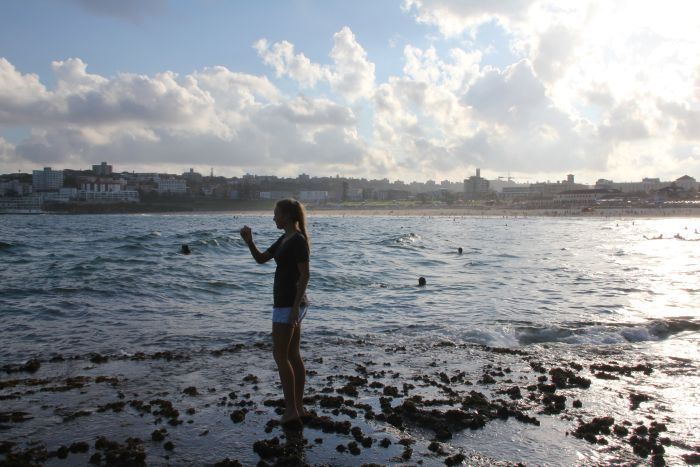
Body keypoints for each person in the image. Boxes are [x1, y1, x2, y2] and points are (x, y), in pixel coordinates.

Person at [240, 199, 310, 425]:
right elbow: (262, 259)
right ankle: (298, 408)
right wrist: (250, 242)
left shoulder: (297, 240)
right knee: (292, 355)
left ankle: (291, 411)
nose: (273, 218)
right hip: (287, 303)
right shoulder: (285, 238)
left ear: (288, 216)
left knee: (281, 355)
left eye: (276, 214)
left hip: (287, 303)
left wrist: (293, 309)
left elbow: (305, 275)